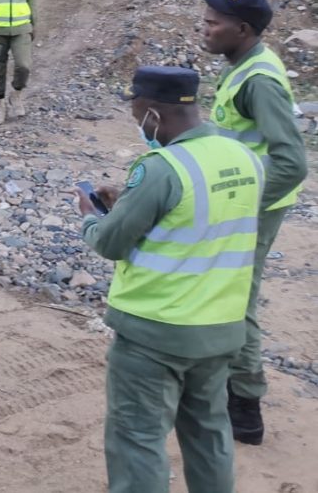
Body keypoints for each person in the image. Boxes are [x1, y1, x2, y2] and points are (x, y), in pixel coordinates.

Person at [78, 66, 262, 493]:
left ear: (153, 114)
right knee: (209, 433)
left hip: (156, 333)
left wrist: (90, 220)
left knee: (137, 438)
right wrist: (128, 201)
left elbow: (110, 242)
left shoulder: (161, 167)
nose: (138, 124)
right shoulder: (242, 155)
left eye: (137, 113)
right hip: (221, 327)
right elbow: (199, 216)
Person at [199, 0, 307, 445]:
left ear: (242, 29)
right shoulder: (242, 66)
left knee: (236, 301)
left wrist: (242, 203)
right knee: (222, 293)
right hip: (239, 204)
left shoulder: (259, 79)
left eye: (213, 22)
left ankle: (245, 408)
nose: (203, 27)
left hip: (253, 210)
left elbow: (292, 161)